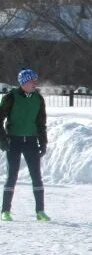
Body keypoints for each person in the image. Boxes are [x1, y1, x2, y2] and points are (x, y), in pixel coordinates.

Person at [0, 69, 49, 222]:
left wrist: (43, 141)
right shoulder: (10, 98)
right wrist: (2, 140)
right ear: (23, 82)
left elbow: (41, 123)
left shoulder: (38, 99)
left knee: (37, 177)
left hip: (31, 141)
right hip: (13, 141)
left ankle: (40, 211)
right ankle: (5, 211)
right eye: (32, 81)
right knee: (12, 176)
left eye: (36, 81)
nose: (35, 83)